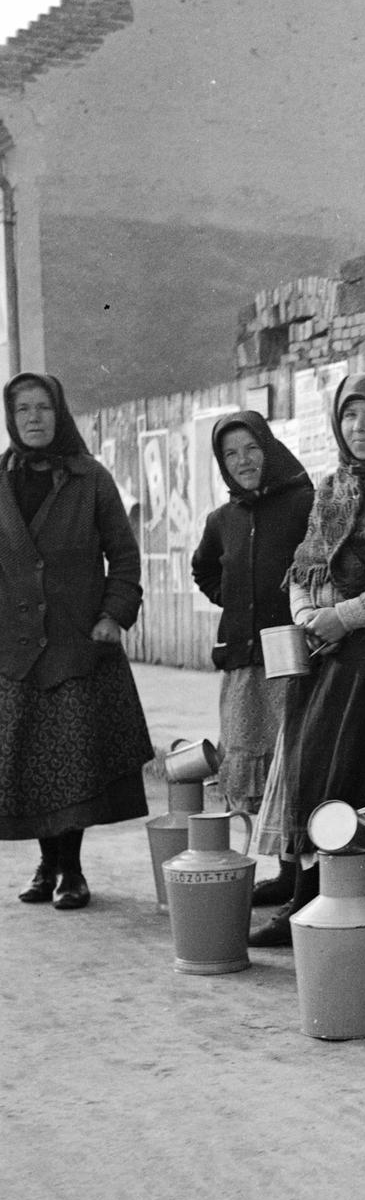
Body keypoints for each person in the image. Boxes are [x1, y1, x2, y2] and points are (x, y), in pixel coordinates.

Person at [247, 373, 365, 949]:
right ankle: (308, 900)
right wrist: (308, 616)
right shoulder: (331, 486)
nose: (359, 428)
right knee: (313, 771)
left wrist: (343, 617)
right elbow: (305, 563)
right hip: (325, 656)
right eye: (350, 416)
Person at [1, 374, 153, 908]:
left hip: (77, 642)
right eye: (23, 410)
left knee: (72, 759)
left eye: (43, 407)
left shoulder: (90, 478)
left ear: (59, 413)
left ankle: (71, 870)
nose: (34, 418)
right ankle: (45, 866)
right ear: (11, 417)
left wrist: (114, 614)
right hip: (15, 648)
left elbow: (125, 554)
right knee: (32, 762)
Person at [190, 411, 313, 904]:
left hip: (293, 656)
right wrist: (237, 599)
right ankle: (284, 872)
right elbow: (203, 570)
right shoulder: (223, 520)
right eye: (230, 454)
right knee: (251, 766)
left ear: (270, 449)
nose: (242, 461)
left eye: (251, 449)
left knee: (293, 764)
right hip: (243, 660)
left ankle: (304, 877)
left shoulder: (305, 503)